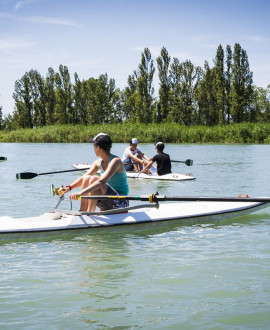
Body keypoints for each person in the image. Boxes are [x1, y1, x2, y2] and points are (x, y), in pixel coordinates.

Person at [60, 133, 129, 212]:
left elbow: (102, 181)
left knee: (94, 179)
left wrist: (80, 193)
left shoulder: (115, 161)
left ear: (98, 148)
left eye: (94, 146)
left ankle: (90, 212)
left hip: (121, 201)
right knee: (87, 178)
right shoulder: (98, 162)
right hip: (107, 199)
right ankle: (82, 211)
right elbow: (83, 178)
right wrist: (69, 187)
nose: (93, 148)